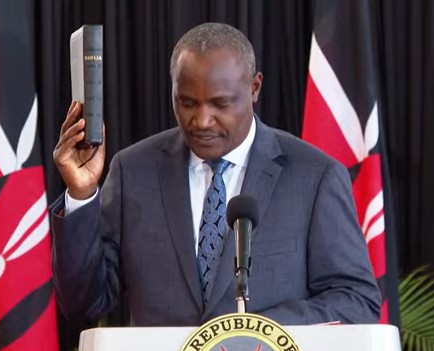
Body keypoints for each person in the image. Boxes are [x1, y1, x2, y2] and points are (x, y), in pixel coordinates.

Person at [50, 22, 381, 326]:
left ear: (254, 87)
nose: (202, 120)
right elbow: (84, 304)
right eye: (187, 102)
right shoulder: (133, 171)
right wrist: (80, 195)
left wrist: (252, 332)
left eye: (220, 104)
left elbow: (355, 300)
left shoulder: (314, 177)